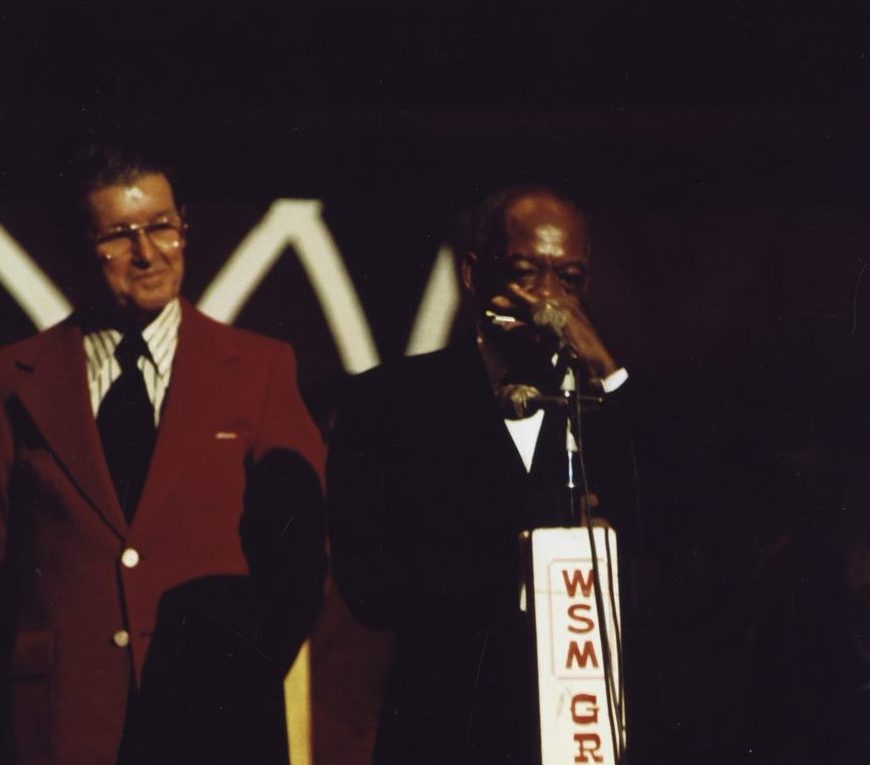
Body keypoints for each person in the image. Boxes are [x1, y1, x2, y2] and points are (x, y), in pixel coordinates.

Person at [0, 145, 326, 765]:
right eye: (120, 235)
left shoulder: (259, 368)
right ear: (80, 246)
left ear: (184, 230)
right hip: (63, 720)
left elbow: (303, 560)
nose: (146, 253)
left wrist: (242, 675)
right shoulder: (15, 379)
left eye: (161, 227)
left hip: (215, 719)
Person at [327, 186, 655, 764]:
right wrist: (531, 568)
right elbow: (369, 588)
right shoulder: (387, 404)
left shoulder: (607, 407)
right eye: (528, 274)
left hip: (585, 738)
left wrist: (605, 365)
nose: (550, 301)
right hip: (451, 732)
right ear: (475, 274)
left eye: (570, 280)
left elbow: (680, 541)